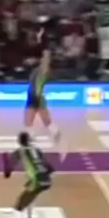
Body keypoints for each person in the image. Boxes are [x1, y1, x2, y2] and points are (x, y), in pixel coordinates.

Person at [24, 22, 65, 160]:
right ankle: (32, 145)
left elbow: (46, 55)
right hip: (32, 96)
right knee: (30, 122)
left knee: (44, 121)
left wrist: (43, 38)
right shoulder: (37, 70)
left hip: (36, 97)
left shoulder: (43, 71)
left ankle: (59, 142)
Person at [3, 131, 55, 218]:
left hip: (36, 179)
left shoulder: (20, 151)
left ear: (19, 141)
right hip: (46, 179)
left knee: (23, 199)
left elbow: (9, 169)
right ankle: (25, 212)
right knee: (31, 192)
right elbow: (51, 168)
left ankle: (18, 215)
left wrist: (7, 171)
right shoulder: (37, 150)